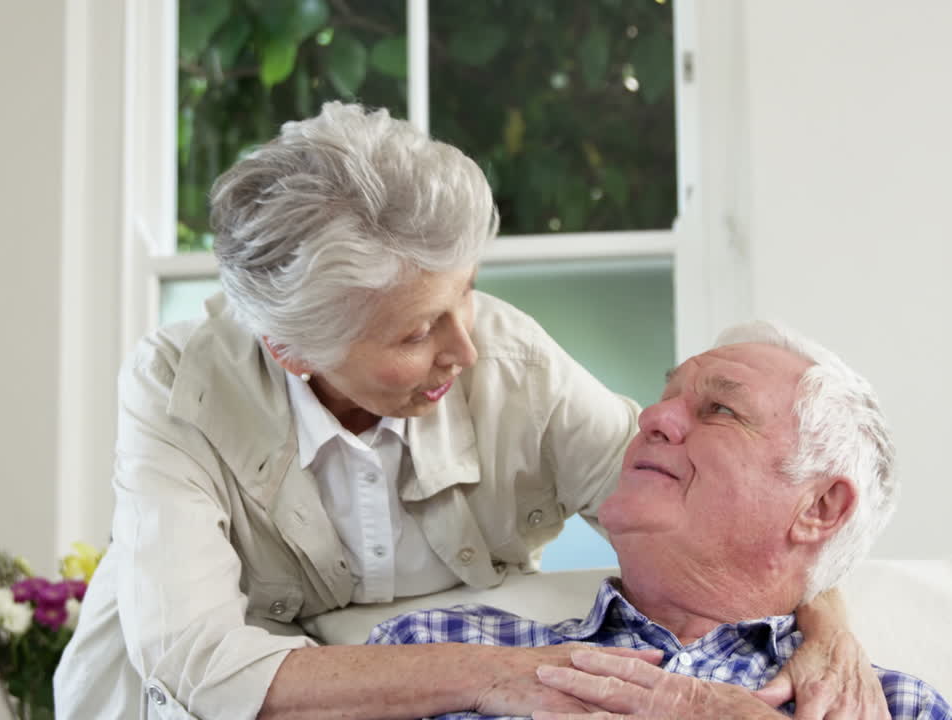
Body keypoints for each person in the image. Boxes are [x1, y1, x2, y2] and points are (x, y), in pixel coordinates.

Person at [55, 103, 884, 719]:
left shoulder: (513, 363)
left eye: (468, 294)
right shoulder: (178, 389)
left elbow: (725, 522)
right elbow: (199, 660)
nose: (467, 348)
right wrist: (502, 675)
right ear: (293, 351)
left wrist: (828, 624)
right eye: (418, 332)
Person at [369, 322, 952, 719]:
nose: (653, 416)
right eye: (667, 396)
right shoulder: (434, 650)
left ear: (819, 508)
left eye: (720, 409)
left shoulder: (891, 708)